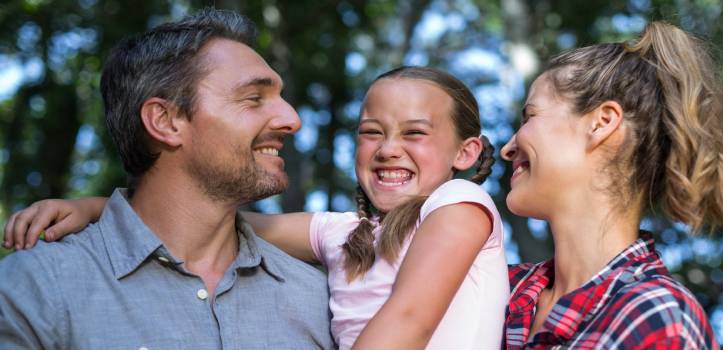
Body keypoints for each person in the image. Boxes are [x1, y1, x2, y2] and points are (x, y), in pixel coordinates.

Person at [4, 67, 510, 349]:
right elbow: (221, 220)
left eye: (415, 134)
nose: (387, 149)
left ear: (465, 153)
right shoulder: (343, 232)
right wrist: (97, 207)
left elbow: (411, 317)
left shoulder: (459, 203)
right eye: (371, 132)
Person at [0, 8, 334, 349]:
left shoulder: (322, 302)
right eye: (254, 98)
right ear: (166, 121)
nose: (292, 119)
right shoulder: (35, 290)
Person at [501, 22, 723, 349]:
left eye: (530, 117)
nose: (507, 148)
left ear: (601, 123)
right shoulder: (497, 290)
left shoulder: (657, 317)